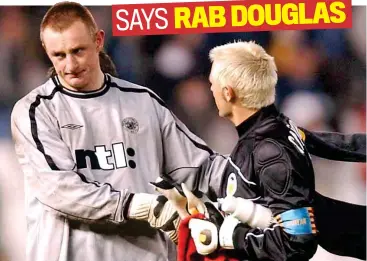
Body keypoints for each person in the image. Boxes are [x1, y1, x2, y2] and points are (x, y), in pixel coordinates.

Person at [10, 2, 214, 261]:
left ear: (98, 40)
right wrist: (140, 206)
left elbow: (200, 167)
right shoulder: (35, 111)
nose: (70, 65)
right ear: (46, 51)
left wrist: (255, 177)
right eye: (59, 55)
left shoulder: (143, 102)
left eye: (78, 50)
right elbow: (60, 190)